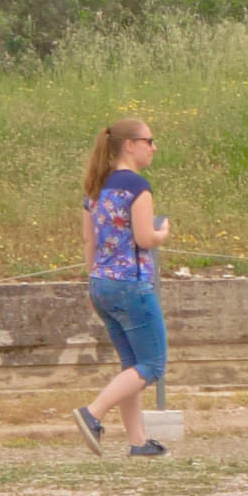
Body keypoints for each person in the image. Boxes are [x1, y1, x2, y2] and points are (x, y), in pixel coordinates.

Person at [77, 113, 170, 456]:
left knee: (131, 365)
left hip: (102, 284)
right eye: (149, 141)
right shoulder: (137, 187)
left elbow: (89, 242)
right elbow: (144, 237)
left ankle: (138, 442)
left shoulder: (94, 188)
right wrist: (163, 233)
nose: (154, 148)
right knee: (153, 365)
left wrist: (92, 282)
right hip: (132, 285)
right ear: (130, 146)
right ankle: (92, 414)